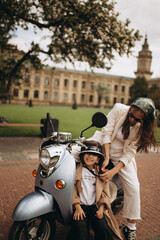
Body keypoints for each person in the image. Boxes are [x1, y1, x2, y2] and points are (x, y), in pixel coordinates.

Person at [99, 97, 157, 240]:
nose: (132, 120)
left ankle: (130, 228)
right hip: (104, 145)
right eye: (131, 115)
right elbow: (106, 132)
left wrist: (113, 170)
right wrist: (106, 157)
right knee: (78, 155)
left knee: (134, 187)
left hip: (122, 154)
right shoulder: (119, 109)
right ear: (130, 108)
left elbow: (130, 151)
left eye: (137, 120)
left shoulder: (143, 128)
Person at [71, 141, 122, 240]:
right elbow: (72, 191)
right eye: (88, 153)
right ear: (82, 156)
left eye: (94, 155)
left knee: (102, 227)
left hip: (96, 206)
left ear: (98, 159)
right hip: (81, 206)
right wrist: (77, 206)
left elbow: (105, 194)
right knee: (80, 230)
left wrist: (101, 209)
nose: (90, 156)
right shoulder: (77, 171)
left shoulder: (101, 174)